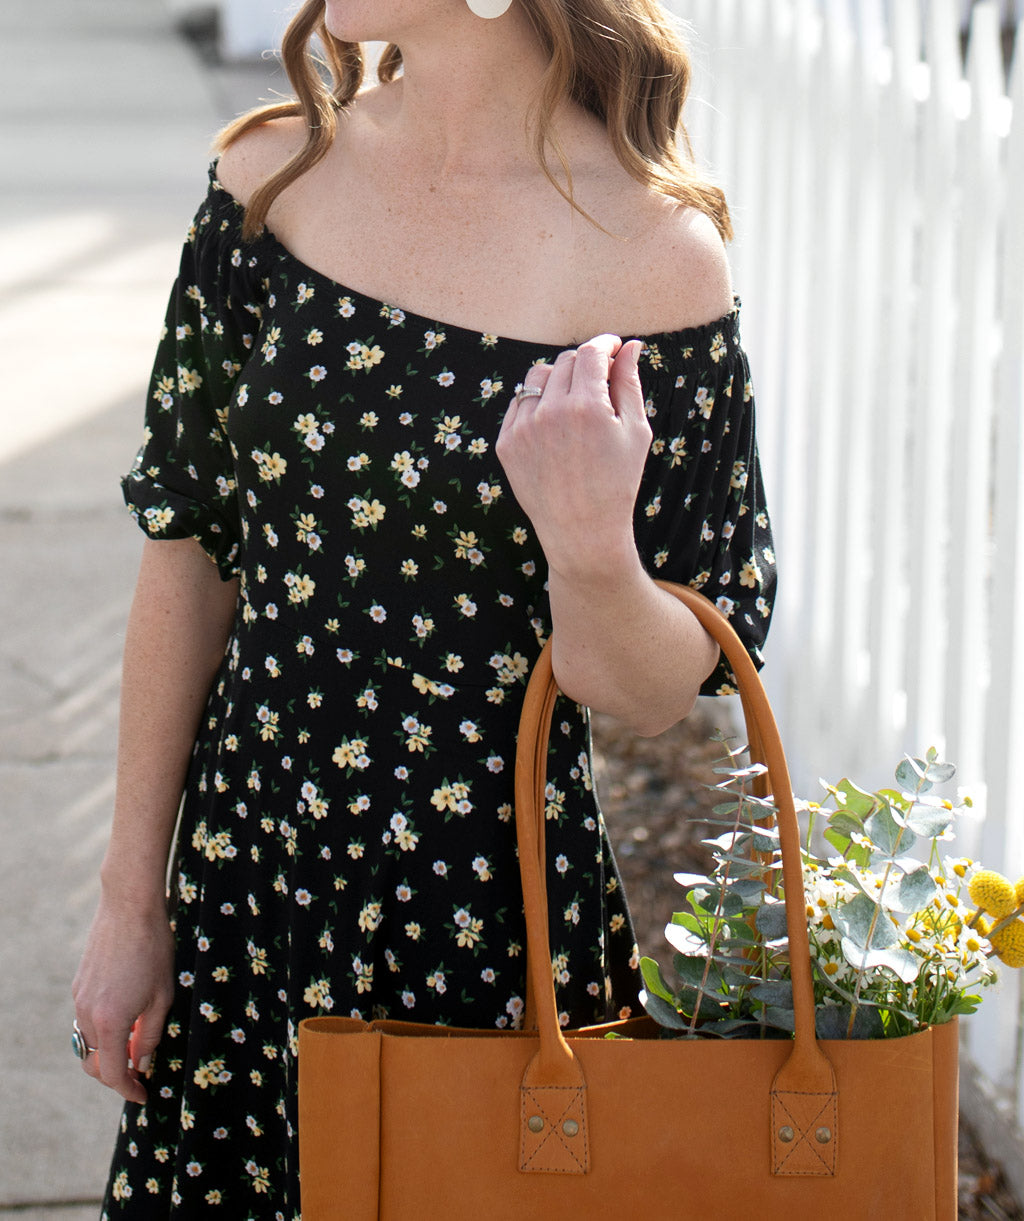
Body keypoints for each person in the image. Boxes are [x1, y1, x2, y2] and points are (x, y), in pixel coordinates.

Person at [72, 0, 775, 1215]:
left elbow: (659, 692)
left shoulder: (651, 253)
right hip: (248, 868)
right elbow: (188, 552)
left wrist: (590, 551)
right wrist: (130, 904)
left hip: (476, 905)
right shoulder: (270, 177)